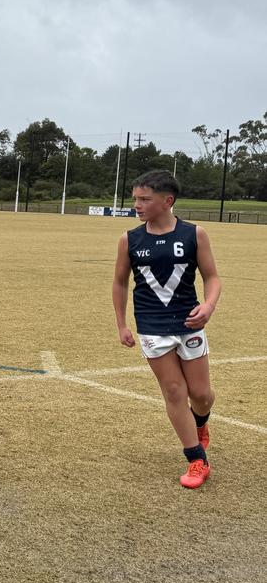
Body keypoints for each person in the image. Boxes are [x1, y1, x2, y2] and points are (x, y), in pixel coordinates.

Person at [112, 170, 221, 489]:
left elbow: (212, 277)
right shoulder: (129, 239)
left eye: (144, 199)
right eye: (135, 198)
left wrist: (209, 307)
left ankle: (201, 422)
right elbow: (120, 282)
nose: (137, 205)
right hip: (152, 325)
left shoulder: (194, 234)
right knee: (174, 391)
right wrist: (122, 324)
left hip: (190, 323)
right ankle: (197, 459)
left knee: (200, 395)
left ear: (167, 201)